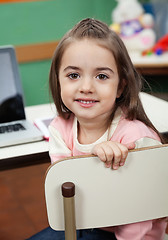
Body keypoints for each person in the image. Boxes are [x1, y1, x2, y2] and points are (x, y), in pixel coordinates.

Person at [28, 18, 167, 239]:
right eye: (73, 75)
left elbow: (140, 215)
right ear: (59, 80)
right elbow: (67, 197)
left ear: (121, 86)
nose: (86, 87)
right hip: (84, 222)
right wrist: (92, 164)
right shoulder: (60, 128)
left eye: (101, 76)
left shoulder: (137, 138)